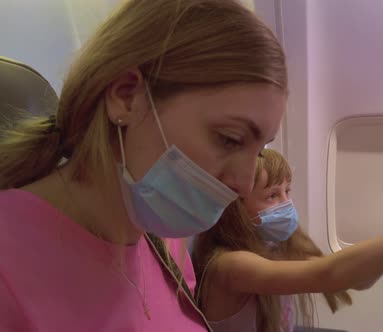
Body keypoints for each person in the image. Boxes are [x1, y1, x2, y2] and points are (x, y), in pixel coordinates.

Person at [0, 0, 287, 330]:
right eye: (230, 138)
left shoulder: (164, 240)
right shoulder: (9, 266)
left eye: (259, 150)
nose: (246, 184)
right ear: (126, 96)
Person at [193, 149, 383, 332]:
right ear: (235, 209)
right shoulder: (229, 266)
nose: (286, 203)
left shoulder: (272, 251)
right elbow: (331, 274)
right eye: (272, 195)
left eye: (288, 191)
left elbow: (357, 279)